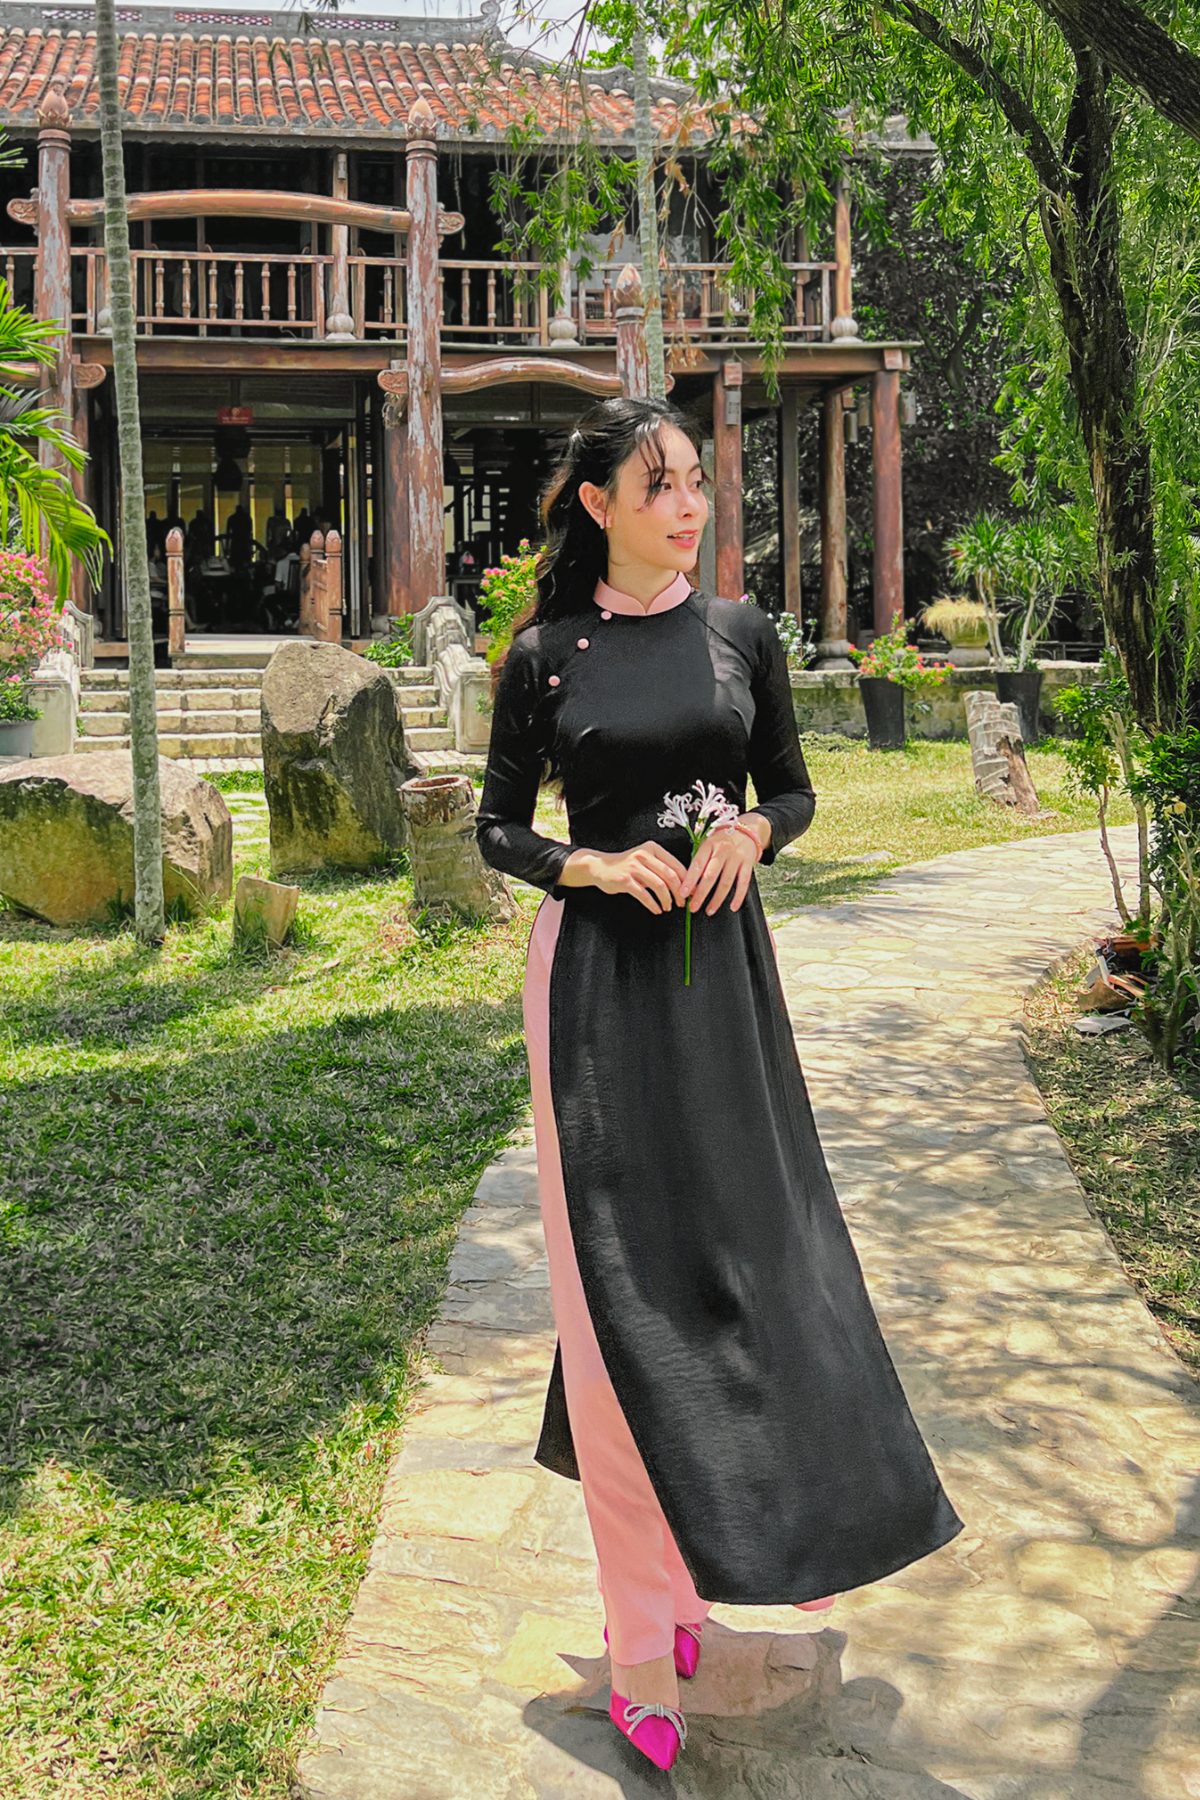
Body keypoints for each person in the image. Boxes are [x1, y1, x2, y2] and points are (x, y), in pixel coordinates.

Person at [476, 398, 961, 1776]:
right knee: (617, 1299)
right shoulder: (545, 656)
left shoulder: (741, 634)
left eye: (696, 482)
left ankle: (711, 1569)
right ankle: (642, 1635)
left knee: (747, 1265)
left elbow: (792, 791)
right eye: (659, 486)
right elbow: (499, 827)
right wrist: (587, 863)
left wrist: (752, 829)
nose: (689, 507)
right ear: (598, 506)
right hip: (595, 991)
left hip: (726, 988)